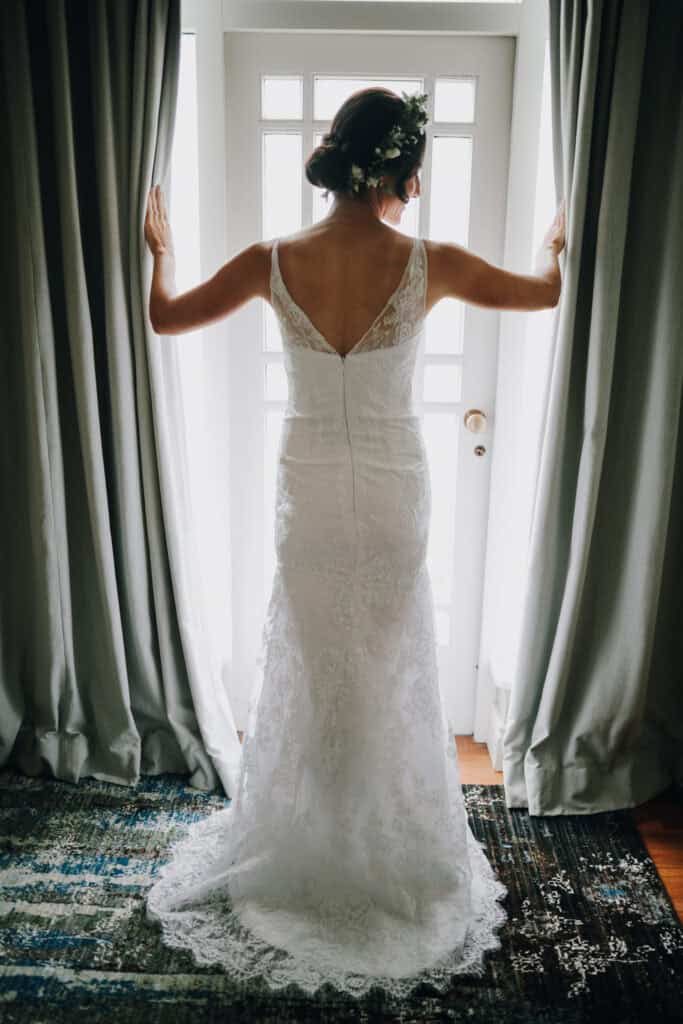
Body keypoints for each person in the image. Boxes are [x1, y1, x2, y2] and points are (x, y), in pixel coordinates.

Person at [143, 87, 566, 999]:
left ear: (336, 158)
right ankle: (381, 837)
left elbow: (165, 318)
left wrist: (160, 252)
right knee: (379, 657)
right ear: (402, 168)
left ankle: (310, 834)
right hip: (389, 489)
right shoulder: (431, 262)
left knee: (316, 653)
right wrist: (556, 238)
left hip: (309, 487)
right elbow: (546, 294)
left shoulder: (270, 259)